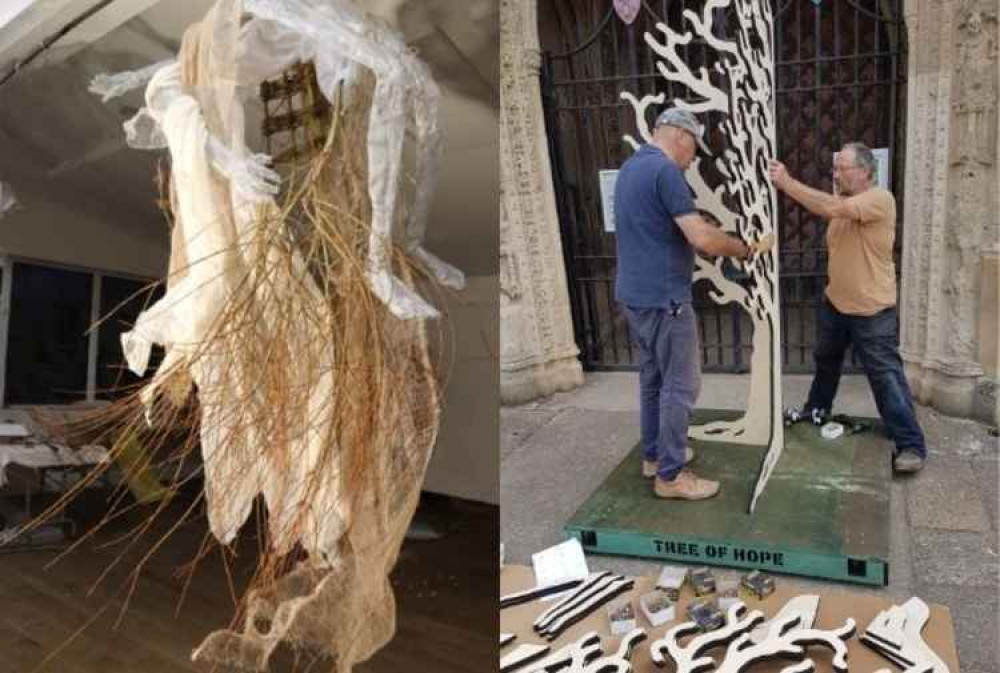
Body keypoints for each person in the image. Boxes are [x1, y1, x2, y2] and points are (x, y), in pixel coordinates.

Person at [614, 107, 773, 500]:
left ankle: (654, 456)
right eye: (694, 149)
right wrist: (743, 249)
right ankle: (670, 476)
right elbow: (700, 237)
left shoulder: (631, 168)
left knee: (654, 380)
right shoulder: (666, 172)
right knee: (681, 385)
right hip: (665, 298)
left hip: (635, 296)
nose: (693, 159)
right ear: (680, 136)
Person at [768, 143, 926, 472]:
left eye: (842, 168)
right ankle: (817, 411)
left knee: (885, 377)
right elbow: (834, 210)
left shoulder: (880, 199)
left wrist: (787, 183)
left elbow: (829, 207)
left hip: (871, 311)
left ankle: (911, 444)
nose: (835, 174)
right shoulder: (844, 204)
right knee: (826, 361)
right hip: (836, 303)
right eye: (835, 168)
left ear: (866, 171)